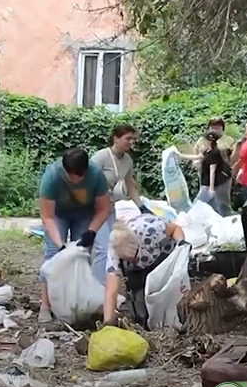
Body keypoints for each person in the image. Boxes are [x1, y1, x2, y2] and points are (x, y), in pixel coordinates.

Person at [37, 148, 111, 322]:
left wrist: (91, 231)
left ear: (85, 171)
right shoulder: (52, 176)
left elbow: (103, 209)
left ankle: (77, 302)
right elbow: (47, 216)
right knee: (52, 256)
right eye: (71, 176)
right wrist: (60, 244)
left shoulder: (96, 176)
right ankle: (45, 305)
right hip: (58, 215)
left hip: (84, 215)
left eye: (79, 176)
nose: (75, 180)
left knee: (81, 257)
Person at [103, 215, 187, 327]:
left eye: (133, 257)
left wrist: (181, 243)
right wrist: (107, 323)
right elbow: (111, 292)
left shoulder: (151, 231)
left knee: (164, 291)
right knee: (140, 300)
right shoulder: (114, 252)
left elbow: (175, 229)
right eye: (127, 260)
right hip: (136, 270)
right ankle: (146, 324)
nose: (131, 261)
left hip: (161, 256)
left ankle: (173, 319)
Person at [90, 124, 149, 284]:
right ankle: (97, 289)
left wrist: (142, 208)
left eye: (133, 139)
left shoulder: (127, 160)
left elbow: (130, 186)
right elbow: (85, 180)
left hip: (109, 207)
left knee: (112, 245)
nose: (131, 142)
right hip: (94, 207)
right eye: (128, 138)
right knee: (103, 248)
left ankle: (103, 283)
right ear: (116, 138)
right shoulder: (102, 157)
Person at [180, 130, 232, 216]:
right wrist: (180, 156)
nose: (202, 141)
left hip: (211, 184)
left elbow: (212, 170)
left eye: (204, 139)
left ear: (210, 140)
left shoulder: (215, 152)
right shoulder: (206, 151)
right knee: (215, 208)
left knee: (197, 206)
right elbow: (197, 157)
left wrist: (211, 188)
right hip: (207, 183)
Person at [234, 121, 247, 249]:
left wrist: (234, 171)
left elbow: (241, 161)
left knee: (246, 212)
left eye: (246, 130)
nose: (245, 133)